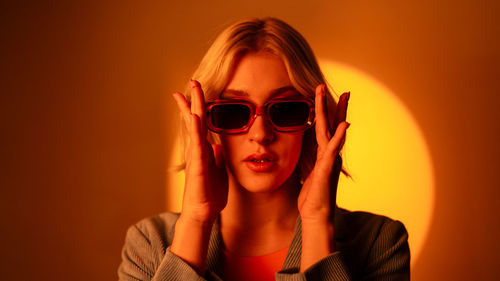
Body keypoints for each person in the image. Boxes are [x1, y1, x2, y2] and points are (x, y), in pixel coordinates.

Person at [118, 17, 410, 281]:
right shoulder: (149, 243)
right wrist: (195, 220)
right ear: (206, 121)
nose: (260, 134)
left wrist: (317, 223)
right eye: (233, 111)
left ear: (316, 118)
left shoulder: (379, 243)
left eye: (285, 110)